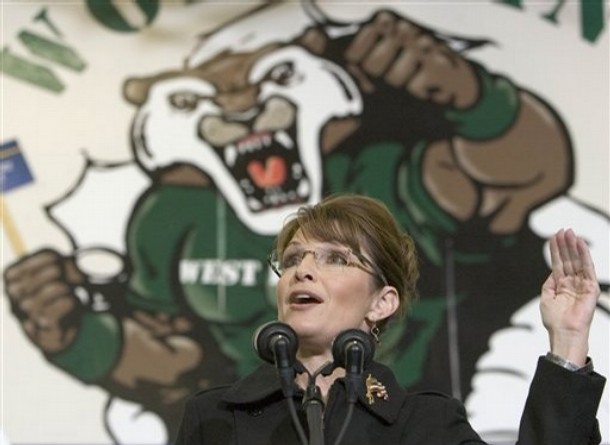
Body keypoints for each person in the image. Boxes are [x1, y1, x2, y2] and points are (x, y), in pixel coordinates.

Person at [174, 193, 605, 445]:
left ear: (382, 302)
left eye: (336, 259)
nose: (302, 271)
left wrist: (567, 340)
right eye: (292, 260)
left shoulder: (427, 426)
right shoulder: (213, 418)